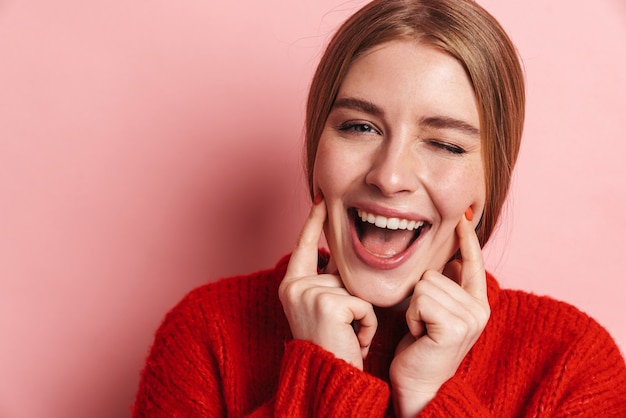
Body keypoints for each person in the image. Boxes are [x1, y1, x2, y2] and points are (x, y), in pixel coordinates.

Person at [132, 0, 626, 416]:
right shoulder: (206, 335)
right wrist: (324, 376)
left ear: (485, 187)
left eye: (446, 145)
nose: (389, 177)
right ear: (317, 151)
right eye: (359, 128)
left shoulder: (572, 364)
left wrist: (432, 395)